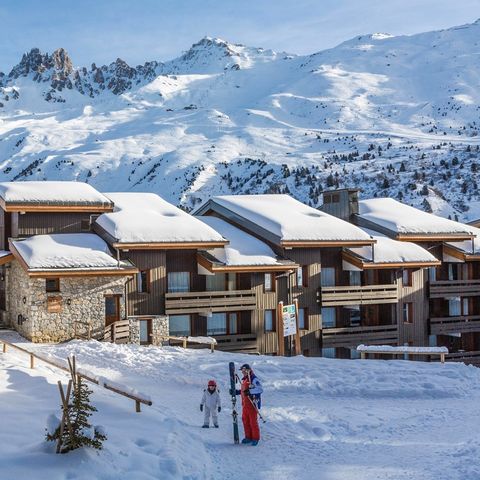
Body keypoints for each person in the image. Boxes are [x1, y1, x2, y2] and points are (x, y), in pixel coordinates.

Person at [238, 363, 263, 446]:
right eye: (242, 371)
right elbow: (244, 391)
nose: (243, 372)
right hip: (245, 404)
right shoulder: (245, 379)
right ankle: (248, 437)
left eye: (244, 370)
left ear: (248, 370)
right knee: (245, 420)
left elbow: (260, 389)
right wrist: (237, 392)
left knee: (252, 422)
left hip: (252, 404)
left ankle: (255, 438)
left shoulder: (253, 378)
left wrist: (250, 391)